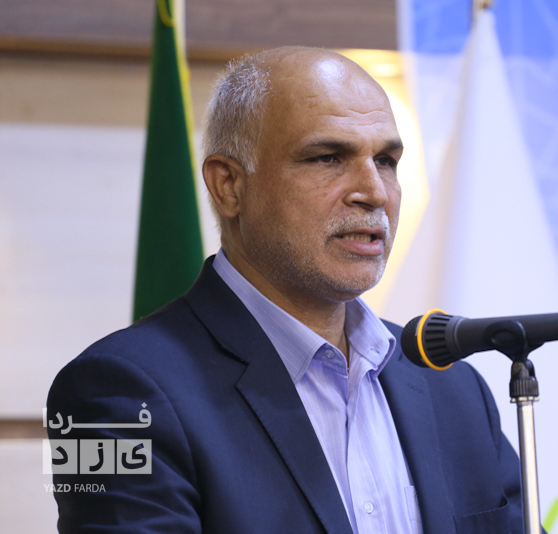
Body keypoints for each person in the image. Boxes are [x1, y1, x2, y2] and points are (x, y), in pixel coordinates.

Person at [47, 47, 523, 534]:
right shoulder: (112, 395)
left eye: (386, 160)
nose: (375, 192)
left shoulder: (454, 388)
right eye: (328, 158)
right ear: (228, 186)